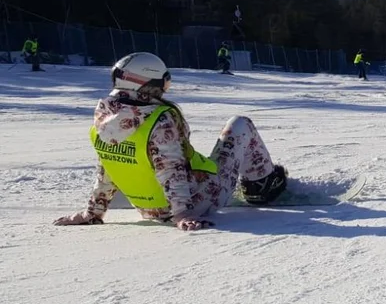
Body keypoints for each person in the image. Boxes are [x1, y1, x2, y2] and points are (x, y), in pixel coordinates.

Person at [51, 52, 288, 232]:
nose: (165, 89)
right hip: (194, 201)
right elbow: (171, 170)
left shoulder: (102, 120)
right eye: (163, 82)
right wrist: (183, 213)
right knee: (240, 124)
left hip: (148, 208)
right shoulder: (157, 119)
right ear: (148, 83)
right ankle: (261, 185)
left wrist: (94, 212)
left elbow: (110, 168)